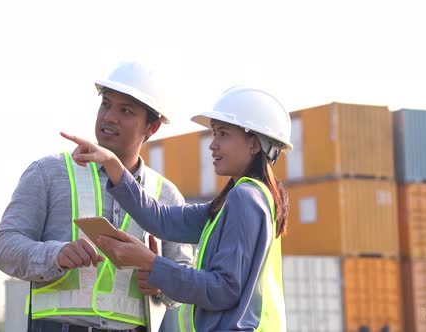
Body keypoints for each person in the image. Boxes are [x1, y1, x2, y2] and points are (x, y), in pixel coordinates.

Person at [61, 85, 292, 331]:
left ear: (255, 145)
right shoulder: (246, 199)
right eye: (214, 133)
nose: (212, 145)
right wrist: (113, 163)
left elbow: (222, 289)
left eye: (223, 134)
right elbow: (162, 219)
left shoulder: (245, 198)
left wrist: (151, 262)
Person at [0, 60, 194, 332]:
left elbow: (186, 279)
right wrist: (56, 254)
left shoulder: (167, 196)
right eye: (106, 104)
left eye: (125, 110)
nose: (109, 116)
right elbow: (4, 246)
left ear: (152, 127)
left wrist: (162, 282)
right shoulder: (48, 173)